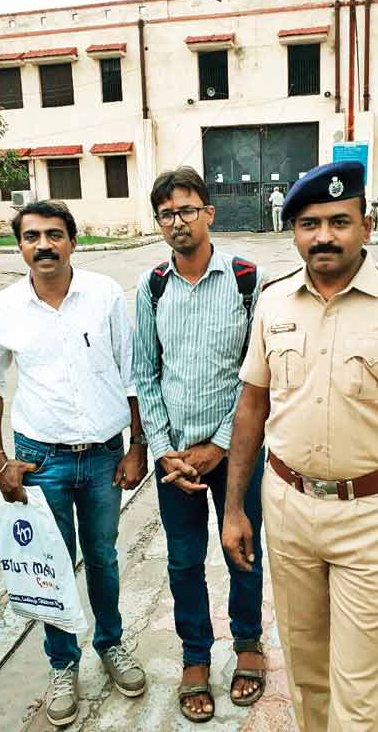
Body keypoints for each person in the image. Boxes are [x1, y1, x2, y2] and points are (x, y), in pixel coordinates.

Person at [222, 161, 378, 732]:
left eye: (338, 221)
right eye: (309, 223)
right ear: (294, 231)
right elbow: (252, 406)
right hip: (289, 511)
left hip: (370, 520)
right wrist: (234, 508)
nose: (323, 235)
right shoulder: (274, 301)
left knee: (359, 690)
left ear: (367, 226)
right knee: (306, 675)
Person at [0, 201, 147, 727]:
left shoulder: (105, 295)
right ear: (20, 245)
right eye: (31, 237)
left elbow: (133, 373)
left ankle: (110, 644)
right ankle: (63, 663)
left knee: (102, 558)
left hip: (103, 459)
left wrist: (138, 445)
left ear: (73, 241)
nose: (43, 245)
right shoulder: (2, 307)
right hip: (40, 460)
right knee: (49, 566)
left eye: (53, 234)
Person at [133, 166, 266, 724]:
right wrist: (165, 450)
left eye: (187, 209)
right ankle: (194, 658)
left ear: (209, 213)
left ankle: (249, 645)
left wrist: (217, 444)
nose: (177, 222)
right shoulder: (152, 286)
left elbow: (257, 375)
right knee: (184, 561)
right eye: (166, 214)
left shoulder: (245, 278)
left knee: (242, 551)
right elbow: (145, 373)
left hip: (236, 453)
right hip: (175, 462)